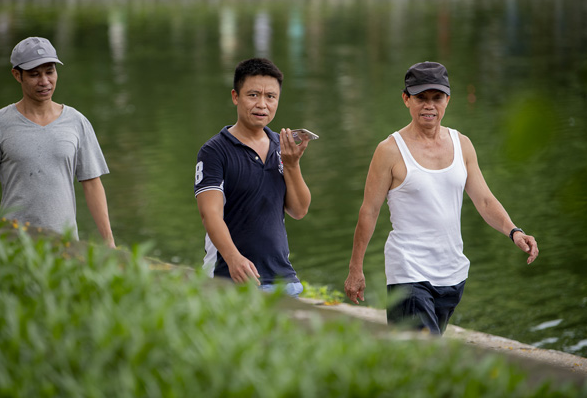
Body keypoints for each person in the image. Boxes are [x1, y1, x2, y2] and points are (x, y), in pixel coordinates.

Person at [344, 61, 539, 334]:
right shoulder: (389, 150)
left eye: (436, 97)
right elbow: (369, 211)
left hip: (452, 273)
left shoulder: (462, 144)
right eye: (420, 98)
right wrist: (356, 269)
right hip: (408, 272)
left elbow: (483, 200)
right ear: (406, 99)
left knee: (418, 365)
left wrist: (514, 232)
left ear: (448, 99)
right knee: (423, 358)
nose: (429, 105)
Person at [0, 36, 115, 248]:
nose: (45, 81)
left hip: (65, 246)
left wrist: (109, 242)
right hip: (12, 244)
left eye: (50, 72)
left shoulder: (77, 122)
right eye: (34, 74)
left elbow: (92, 184)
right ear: (17, 75)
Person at [194, 58, 312, 296]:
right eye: (253, 95)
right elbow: (210, 213)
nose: (262, 104)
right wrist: (234, 258)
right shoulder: (214, 151)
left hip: (283, 280)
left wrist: (292, 165)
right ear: (235, 97)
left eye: (271, 96)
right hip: (229, 278)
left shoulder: (282, 146)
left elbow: (299, 210)